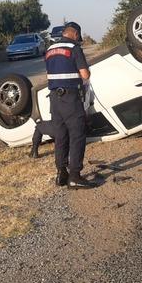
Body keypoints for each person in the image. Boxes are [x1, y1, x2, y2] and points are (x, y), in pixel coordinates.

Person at [44, 21, 97, 189]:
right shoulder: (74, 48)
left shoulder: (49, 50)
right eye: (78, 36)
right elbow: (85, 74)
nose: (78, 39)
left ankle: (61, 173)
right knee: (77, 134)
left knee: (61, 136)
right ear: (75, 34)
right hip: (70, 98)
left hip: (54, 99)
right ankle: (75, 175)